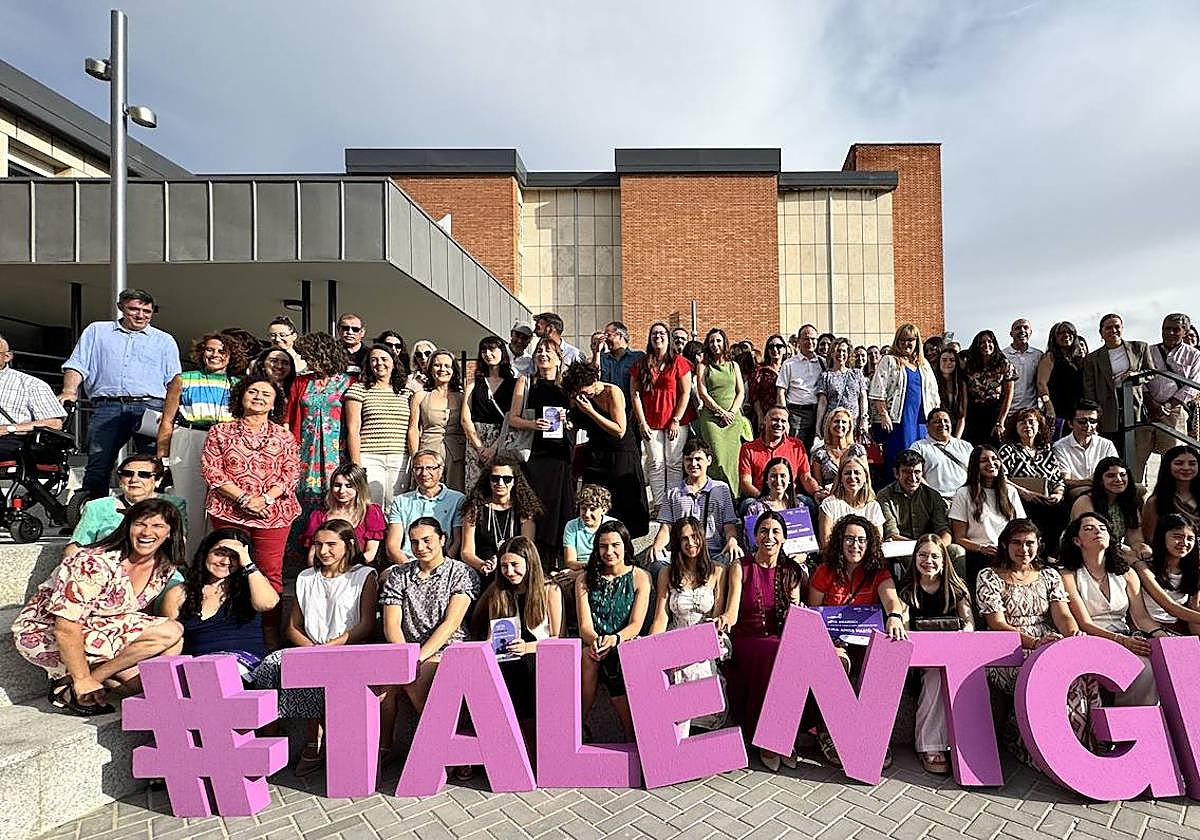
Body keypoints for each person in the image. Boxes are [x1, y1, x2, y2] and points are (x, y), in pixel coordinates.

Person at [13, 498, 186, 716]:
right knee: (171, 632)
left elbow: (130, 615)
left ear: (170, 532)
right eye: (140, 524)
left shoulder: (164, 565)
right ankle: (81, 682)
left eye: (157, 526)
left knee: (142, 685)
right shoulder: (93, 562)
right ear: (128, 526)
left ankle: (87, 679)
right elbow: (65, 627)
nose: (146, 532)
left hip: (99, 627)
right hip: (47, 631)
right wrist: (83, 679)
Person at [252, 519, 379, 775]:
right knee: (271, 666)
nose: (324, 551)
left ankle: (320, 740)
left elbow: (365, 624)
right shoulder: (305, 577)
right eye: (319, 544)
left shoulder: (364, 576)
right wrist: (313, 650)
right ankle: (270, 738)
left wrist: (330, 648)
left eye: (332, 544)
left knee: (326, 671)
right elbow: (292, 627)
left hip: (348, 648)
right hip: (310, 648)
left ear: (349, 545)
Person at [975, 519, 1100, 768]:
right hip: (1006, 650)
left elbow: (1063, 615)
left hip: (1047, 644)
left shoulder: (1049, 575)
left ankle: (1081, 747)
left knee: (1081, 675)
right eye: (1017, 543)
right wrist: (1035, 643)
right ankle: (1045, 751)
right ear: (1005, 545)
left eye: (1029, 543)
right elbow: (997, 623)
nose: (1024, 549)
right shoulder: (989, 576)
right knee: (1050, 679)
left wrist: (1071, 636)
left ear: (1038, 545)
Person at [201, 375, 301, 639]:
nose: (259, 397)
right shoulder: (219, 432)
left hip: (274, 514)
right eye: (253, 392)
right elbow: (212, 470)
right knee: (225, 567)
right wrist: (244, 499)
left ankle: (269, 633)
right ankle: (227, 628)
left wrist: (266, 499)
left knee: (269, 572)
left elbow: (291, 473)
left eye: (266, 394)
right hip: (229, 511)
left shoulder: (284, 436)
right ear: (240, 397)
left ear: (274, 403)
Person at [59, 289, 182, 499]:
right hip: (108, 407)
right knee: (99, 463)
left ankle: (153, 512)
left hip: (151, 408)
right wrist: (69, 391)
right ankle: (93, 513)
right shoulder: (97, 331)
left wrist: (171, 413)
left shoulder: (164, 340)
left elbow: (175, 381)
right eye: (134, 309)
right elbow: (77, 364)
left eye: (147, 311)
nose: (140, 315)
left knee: (155, 464)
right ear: (121, 308)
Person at [807, 514, 907, 768]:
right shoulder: (825, 571)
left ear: (869, 543)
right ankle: (828, 733)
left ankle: (874, 738)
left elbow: (891, 599)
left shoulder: (878, 573)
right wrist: (827, 639)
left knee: (882, 664)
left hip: (864, 641)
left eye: (861, 540)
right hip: (833, 641)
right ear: (840, 541)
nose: (855, 545)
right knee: (835, 666)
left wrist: (894, 616)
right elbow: (814, 611)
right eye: (849, 539)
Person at [722, 510, 807, 770]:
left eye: (775, 532)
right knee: (773, 654)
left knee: (788, 654)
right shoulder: (741, 567)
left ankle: (782, 735)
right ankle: (769, 739)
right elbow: (732, 611)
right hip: (747, 639)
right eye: (763, 531)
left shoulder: (792, 570)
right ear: (755, 535)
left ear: (784, 538)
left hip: (778, 637)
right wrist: (723, 619)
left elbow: (795, 611)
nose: (768, 537)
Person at [381, 517, 478, 727]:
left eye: (427, 540)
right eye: (414, 542)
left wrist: (417, 659)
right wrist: (405, 656)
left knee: (414, 682)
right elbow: (391, 624)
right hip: (408, 649)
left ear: (442, 539)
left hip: (449, 649)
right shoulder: (398, 574)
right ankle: (383, 749)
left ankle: (445, 744)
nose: (420, 547)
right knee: (381, 690)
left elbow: (451, 624)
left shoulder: (461, 572)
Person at [1058, 513, 1160, 705]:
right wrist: (1121, 641)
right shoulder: (1068, 575)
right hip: (1091, 638)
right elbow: (1084, 623)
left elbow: (1142, 618)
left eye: (1103, 528)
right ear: (1077, 541)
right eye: (1089, 528)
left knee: (1153, 665)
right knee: (1138, 668)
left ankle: (1136, 728)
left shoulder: (1127, 573)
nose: (1098, 531)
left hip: (1125, 636)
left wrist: (1163, 636)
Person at [897, 536, 973, 775]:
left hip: (954, 655)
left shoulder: (956, 589)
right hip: (922, 662)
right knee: (934, 675)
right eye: (922, 555)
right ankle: (929, 745)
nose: (928, 561)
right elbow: (906, 626)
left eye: (934, 556)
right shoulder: (908, 591)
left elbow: (969, 624)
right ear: (915, 558)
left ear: (944, 560)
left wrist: (961, 636)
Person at [155, 333, 243, 539]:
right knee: (189, 501)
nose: (215, 355)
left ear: (231, 356)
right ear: (202, 352)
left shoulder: (239, 384)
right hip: (190, 436)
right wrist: (161, 454)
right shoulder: (183, 379)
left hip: (226, 441)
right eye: (210, 349)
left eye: (222, 351)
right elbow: (167, 420)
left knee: (223, 501)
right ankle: (187, 559)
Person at [648, 516, 729, 735]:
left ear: (702, 538)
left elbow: (717, 613)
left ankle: (697, 727)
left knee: (697, 668)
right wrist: (648, 649)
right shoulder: (667, 572)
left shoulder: (718, 571)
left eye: (694, 537)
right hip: (676, 638)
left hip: (704, 640)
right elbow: (661, 617)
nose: (690, 543)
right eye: (684, 539)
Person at [162, 527, 279, 678]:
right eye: (219, 554)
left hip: (245, 668)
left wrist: (248, 562)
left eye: (234, 557)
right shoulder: (178, 593)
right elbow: (170, 642)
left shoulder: (251, 585)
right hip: (198, 670)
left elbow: (268, 604)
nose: (225, 561)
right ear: (205, 553)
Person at [471, 536, 562, 728]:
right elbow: (491, 638)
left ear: (529, 562)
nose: (509, 572)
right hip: (507, 659)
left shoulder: (550, 590)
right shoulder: (499, 593)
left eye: (515, 564)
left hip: (539, 658)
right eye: (504, 566)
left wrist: (528, 647)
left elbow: (558, 639)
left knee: (525, 668)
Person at [576, 521, 652, 742]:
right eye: (603, 546)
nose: (609, 552)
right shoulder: (584, 579)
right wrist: (599, 642)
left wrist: (615, 639)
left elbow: (636, 624)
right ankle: (577, 723)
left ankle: (631, 735)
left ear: (626, 546)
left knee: (615, 662)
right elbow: (584, 627)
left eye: (615, 545)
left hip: (625, 641)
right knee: (589, 656)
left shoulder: (640, 577)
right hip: (595, 643)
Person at [563, 360, 650, 539]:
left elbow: (619, 430)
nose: (583, 394)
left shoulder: (612, 392)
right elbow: (578, 422)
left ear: (594, 380)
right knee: (594, 499)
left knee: (623, 504)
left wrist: (591, 412)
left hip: (621, 453)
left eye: (584, 390)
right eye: (578, 391)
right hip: (596, 453)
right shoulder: (580, 398)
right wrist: (569, 420)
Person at [509, 340, 574, 569]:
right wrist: (533, 424)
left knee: (560, 506)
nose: (543, 354)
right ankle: (534, 557)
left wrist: (569, 421)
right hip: (535, 454)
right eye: (539, 351)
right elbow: (513, 418)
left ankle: (558, 560)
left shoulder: (567, 384)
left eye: (548, 351)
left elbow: (580, 417)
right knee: (534, 506)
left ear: (559, 357)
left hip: (561, 454)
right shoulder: (526, 382)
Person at [648, 438, 743, 571]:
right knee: (656, 562)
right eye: (688, 459)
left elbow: (729, 524)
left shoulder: (721, 489)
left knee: (735, 558)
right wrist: (657, 545)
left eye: (698, 459)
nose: (693, 463)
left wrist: (732, 541)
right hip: (683, 553)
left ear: (708, 461)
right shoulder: (672, 492)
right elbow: (666, 528)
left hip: (713, 552)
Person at [67, 455, 188, 555]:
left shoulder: (173, 505)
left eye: (144, 475)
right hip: (105, 570)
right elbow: (76, 546)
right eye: (127, 474)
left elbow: (178, 545)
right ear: (120, 480)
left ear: (158, 480)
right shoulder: (97, 507)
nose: (134, 479)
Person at [631, 322, 693, 513]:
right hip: (651, 421)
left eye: (662, 333)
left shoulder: (679, 362)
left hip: (676, 421)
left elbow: (686, 393)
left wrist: (676, 419)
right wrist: (641, 422)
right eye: (654, 334)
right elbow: (635, 394)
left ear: (668, 337)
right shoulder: (642, 363)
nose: (658, 337)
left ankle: (673, 503)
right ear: (650, 339)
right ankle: (659, 505)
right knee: (655, 462)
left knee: (674, 463)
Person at [286, 332, 352, 510]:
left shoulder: (348, 382)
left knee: (338, 491)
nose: (307, 361)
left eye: (310, 356)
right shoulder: (301, 382)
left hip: (338, 449)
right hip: (305, 449)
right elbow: (289, 417)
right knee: (303, 494)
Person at [950, 444, 1026, 595]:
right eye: (984, 460)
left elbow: (1022, 528)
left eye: (994, 459)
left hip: (1008, 551)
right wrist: (981, 548)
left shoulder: (1010, 492)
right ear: (975, 466)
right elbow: (959, 538)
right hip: (979, 553)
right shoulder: (963, 493)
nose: (991, 463)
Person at [868, 323, 940, 475]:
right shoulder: (889, 360)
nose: (906, 344)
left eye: (910, 340)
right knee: (900, 458)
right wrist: (884, 414)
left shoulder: (924, 364)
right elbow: (877, 390)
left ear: (917, 342)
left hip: (921, 421)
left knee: (920, 459)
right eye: (902, 340)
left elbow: (934, 394)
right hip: (899, 421)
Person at [876, 450, 964, 573]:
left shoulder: (933, 496)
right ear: (896, 473)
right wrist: (922, 548)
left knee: (957, 551)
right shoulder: (884, 496)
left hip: (933, 547)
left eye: (917, 472)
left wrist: (935, 549)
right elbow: (891, 534)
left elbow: (944, 530)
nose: (912, 478)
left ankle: (958, 591)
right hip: (903, 548)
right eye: (907, 472)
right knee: (911, 557)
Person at [346, 344, 412, 506]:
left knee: (396, 505)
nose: (379, 363)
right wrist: (356, 464)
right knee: (371, 505)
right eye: (374, 360)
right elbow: (353, 429)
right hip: (370, 457)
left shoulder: (406, 392)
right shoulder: (359, 389)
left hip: (400, 457)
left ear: (394, 363)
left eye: (384, 359)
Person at [1138, 313, 1200, 482]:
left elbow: (1192, 385)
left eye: (1176, 329)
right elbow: (1139, 380)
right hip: (1146, 411)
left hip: (1174, 412)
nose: (1170, 333)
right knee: (1136, 460)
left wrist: (1168, 405)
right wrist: (1150, 403)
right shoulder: (1149, 351)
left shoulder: (1194, 355)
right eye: (1167, 329)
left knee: (1174, 462)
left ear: (1185, 331)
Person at [1081, 313, 1152, 458]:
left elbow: (1151, 372)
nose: (1113, 330)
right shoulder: (1092, 358)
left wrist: (1135, 376)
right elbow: (1089, 387)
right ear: (1101, 332)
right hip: (1107, 408)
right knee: (1112, 449)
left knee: (1134, 449)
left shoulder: (1139, 347)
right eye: (1108, 328)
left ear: (1122, 328)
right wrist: (1095, 411)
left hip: (1132, 404)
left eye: (1117, 327)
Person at [461, 455, 542, 575]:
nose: (500, 483)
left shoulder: (524, 511)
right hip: (482, 570)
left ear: (515, 481)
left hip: (513, 571)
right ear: (488, 480)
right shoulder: (475, 510)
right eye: (495, 478)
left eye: (507, 479)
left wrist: (502, 563)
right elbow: (466, 552)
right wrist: (482, 565)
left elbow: (526, 548)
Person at [998, 407, 1066, 546]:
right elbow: (1000, 478)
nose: (1027, 426)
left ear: (1039, 427)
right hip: (1019, 498)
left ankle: (1052, 554)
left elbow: (1058, 480)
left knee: (1062, 511)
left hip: (1044, 498)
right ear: (1015, 427)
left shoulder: (1046, 451)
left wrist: (1057, 494)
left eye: (1031, 422)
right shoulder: (1008, 449)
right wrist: (1024, 492)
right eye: (1022, 422)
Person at [384, 449, 465, 564]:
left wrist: (442, 567)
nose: (424, 473)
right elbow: (393, 546)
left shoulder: (457, 499)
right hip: (408, 563)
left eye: (430, 468)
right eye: (418, 468)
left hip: (443, 564)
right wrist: (409, 568)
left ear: (440, 470)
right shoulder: (401, 501)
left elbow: (457, 541)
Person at [1070, 457, 1152, 564]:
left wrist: (1143, 549)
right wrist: (1126, 552)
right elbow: (1090, 540)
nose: (1118, 479)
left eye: (1122, 475)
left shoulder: (1128, 503)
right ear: (1100, 480)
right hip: (1085, 554)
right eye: (1110, 476)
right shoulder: (1085, 501)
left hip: (1114, 552)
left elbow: (1136, 540)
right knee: (1138, 566)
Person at [738, 405, 822, 507]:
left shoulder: (797, 445)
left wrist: (816, 492)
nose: (779, 424)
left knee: (809, 503)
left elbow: (806, 478)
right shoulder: (748, 448)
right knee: (748, 504)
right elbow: (745, 483)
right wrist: (765, 499)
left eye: (783, 421)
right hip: (759, 497)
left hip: (790, 497)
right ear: (765, 420)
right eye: (775, 420)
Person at [302, 463, 386, 566]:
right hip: (326, 570)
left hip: (359, 568)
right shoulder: (320, 516)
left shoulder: (371, 512)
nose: (342, 491)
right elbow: (312, 555)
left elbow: (370, 553)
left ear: (359, 488)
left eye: (349, 486)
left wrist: (345, 568)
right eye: (337, 485)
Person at [461, 336, 517, 490]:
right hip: (476, 439)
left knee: (501, 486)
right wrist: (479, 447)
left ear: (502, 352)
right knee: (474, 488)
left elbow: (514, 415)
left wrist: (493, 448)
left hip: (503, 437)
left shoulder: (514, 384)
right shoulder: (473, 383)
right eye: (483, 350)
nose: (488, 353)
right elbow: (465, 418)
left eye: (492, 349)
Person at [0, 333, 67, 460]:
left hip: (11, 440)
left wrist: (9, 428)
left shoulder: (31, 384)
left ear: (7, 356)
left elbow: (54, 423)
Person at [696, 328, 747, 490]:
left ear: (724, 343)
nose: (715, 344)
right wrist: (720, 412)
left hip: (733, 419)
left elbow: (741, 392)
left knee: (734, 459)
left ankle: (736, 496)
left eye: (718, 340)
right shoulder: (703, 366)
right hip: (712, 419)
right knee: (717, 457)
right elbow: (702, 393)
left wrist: (731, 412)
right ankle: (716, 494)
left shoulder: (734, 366)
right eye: (711, 341)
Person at [409, 349, 467, 493]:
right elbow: (414, 429)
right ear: (430, 369)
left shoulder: (463, 396)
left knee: (457, 494)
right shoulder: (420, 396)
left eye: (447, 366)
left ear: (454, 370)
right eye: (437, 365)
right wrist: (416, 457)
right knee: (427, 493)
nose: (442, 369)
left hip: (458, 455)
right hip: (428, 451)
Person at [1132, 513, 1200, 633]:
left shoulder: (1194, 572)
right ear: (1162, 536)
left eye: (1190, 539)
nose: (1184, 543)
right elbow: (1171, 607)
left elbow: (1194, 612)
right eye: (1177, 536)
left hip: (1177, 628)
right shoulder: (1144, 567)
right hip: (1147, 628)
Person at [960, 330, 1017, 445]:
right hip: (974, 413)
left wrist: (1000, 421)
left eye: (989, 341)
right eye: (982, 342)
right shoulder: (969, 366)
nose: (986, 345)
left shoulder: (1004, 364)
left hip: (995, 413)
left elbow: (1008, 396)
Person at [1052, 400, 1119, 495]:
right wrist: (1090, 483)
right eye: (1082, 421)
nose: (1088, 425)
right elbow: (1066, 481)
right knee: (1088, 494)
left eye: (1092, 421)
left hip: (1106, 486)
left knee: (1139, 489)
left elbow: (1115, 471)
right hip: (1076, 490)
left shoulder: (1106, 444)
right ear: (1070, 424)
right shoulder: (1060, 447)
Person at [817, 453, 885, 548]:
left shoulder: (873, 506)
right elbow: (826, 543)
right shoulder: (829, 505)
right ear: (840, 478)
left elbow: (878, 542)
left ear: (865, 477)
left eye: (857, 472)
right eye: (847, 473)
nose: (852, 477)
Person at [907, 408, 974, 501]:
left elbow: (976, 471)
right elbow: (914, 472)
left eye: (946, 421)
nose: (943, 424)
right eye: (937, 422)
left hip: (967, 499)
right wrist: (934, 497)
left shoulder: (965, 446)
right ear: (927, 426)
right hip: (938, 501)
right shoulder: (918, 447)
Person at [776, 324, 824, 450]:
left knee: (817, 450)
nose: (810, 342)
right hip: (796, 414)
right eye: (806, 339)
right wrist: (783, 416)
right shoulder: (789, 364)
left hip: (818, 413)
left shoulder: (822, 363)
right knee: (796, 449)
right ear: (799, 341)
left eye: (813, 339)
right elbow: (781, 391)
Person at [1036, 321, 1086, 437]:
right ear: (1054, 337)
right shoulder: (1050, 357)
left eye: (1069, 332)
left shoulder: (1076, 359)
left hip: (1076, 411)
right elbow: (1041, 384)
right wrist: (1049, 407)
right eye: (1061, 333)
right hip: (1057, 412)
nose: (1066, 335)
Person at [1141, 444, 1200, 540]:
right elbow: (1150, 538)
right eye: (1179, 463)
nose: (1186, 468)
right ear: (1168, 466)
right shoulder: (1155, 502)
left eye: (1192, 463)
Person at [815, 338, 869, 435]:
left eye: (844, 351)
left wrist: (864, 419)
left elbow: (863, 397)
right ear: (832, 353)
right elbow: (822, 403)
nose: (841, 354)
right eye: (838, 351)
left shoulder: (856, 374)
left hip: (853, 424)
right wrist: (818, 426)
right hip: (833, 424)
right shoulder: (826, 376)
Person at [809, 408, 868, 495]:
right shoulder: (819, 453)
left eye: (844, 422)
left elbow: (865, 478)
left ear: (849, 427)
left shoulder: (858, 450)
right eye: (836, 421)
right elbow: (819, 485)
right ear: (829, 425)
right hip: (830, 498)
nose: (840, 425)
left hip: (855, 496)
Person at [561, 484, 616, 572]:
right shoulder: (572, 526)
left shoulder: (613, 526)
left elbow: (617, 559)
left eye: (592, 509)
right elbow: (570, 561)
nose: (587, 514)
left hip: (606, 568)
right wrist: (588, 566)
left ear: (604, 510)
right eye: (583, 508)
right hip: (580, 568)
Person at [593, 321, 644, 404]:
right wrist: (597, 352)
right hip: (606, 410)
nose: (605, 340)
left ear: (620, 335)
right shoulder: (602, 359)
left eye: (608, 335)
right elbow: (594, 377)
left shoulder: (637, 358)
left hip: (631, 410)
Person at [741, 456, 798, 523]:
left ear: (790, 479)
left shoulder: (799, 506)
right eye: (773, 476)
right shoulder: (755, 509)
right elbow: (750, 533)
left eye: (783, 476)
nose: (778, 481)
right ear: (766, 479)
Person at [750, 334, 789, 430]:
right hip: (766, 415)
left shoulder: (790, 367)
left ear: (784, 349)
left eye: (779, 346)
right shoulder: (760, 370)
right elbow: (754, 395)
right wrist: (760, 415)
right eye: (771, 347)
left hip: (789, 415)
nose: (775, 349)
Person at [1003, 319, 1043, 412]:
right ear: (1011, 333)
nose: (1022, 331)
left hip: (1032, 411)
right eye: (1018, 328)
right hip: (1008, 412)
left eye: (1026, 328)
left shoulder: (1038, 355)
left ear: (1031, 332)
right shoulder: (1003, 356)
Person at [934, 348, 966, 438]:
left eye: (952, 360)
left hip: (957, 429)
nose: (948, 363)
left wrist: (956, 440)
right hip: (936, 429)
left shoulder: (961, 384)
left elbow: (962, 416)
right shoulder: (933, 382)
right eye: (944, 360)